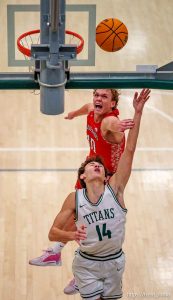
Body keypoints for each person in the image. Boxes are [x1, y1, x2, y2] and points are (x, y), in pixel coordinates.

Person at [48, 88, 150, 300]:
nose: (96, 165)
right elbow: (53, 231)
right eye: (91, 164)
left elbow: (129, 148)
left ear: (106, 175)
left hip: (114, 261)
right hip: (87, 262)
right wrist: (70, 235)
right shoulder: (75, 198)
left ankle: (60, 259)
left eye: (99, 165)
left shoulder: (115, 189)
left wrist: (137, 114)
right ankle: (61, 259)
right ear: (82, 176)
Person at [29, 89, 134, 265]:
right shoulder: (92, 109)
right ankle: (57, 253)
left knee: (84, 219)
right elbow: (86, 108)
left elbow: (112, 124)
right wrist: (73, 114)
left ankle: (81, 263)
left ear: (113, 104)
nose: (98, 99)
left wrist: (120, 127)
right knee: (74, 214)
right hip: (90, 169)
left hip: (106, 180)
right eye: (97, 95)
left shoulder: (109, 120)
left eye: (104, 96)